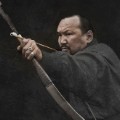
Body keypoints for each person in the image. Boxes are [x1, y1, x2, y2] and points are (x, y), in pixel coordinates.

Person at [17, 14, 120, 120]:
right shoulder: (99, 51)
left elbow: (74, 68)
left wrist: (42, 56)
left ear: (88, 37)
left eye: (68, 34)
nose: (62, 41)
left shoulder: (99, 56)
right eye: (59, 35)